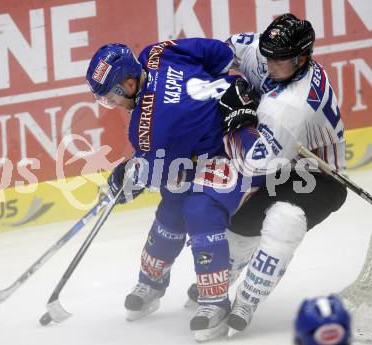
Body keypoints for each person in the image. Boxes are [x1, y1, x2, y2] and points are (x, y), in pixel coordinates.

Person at [86, 39, 264, 342]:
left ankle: (215, 303)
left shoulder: (147, 127)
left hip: (235, 150)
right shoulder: (159, 52)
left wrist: (127, 182)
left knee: (199, 211)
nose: (111, 105)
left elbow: (153, 172)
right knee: (171, 210)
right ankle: (151, 283)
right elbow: (219, 54)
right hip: (206, 146)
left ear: (129, 83)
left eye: (110, 97)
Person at [185, 13, 348, 337]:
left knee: (284, 219)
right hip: (282, 162)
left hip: (319, 176)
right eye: (268, 54)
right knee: (239, 221)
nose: (271, 63)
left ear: (303, 59)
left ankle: (248, 299)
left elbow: (255, 164)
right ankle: (229, 270)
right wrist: (223, 82)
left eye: (281, 60)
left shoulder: (291, 104)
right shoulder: (262, 50)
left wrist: (240, 119)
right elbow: (224, 52)